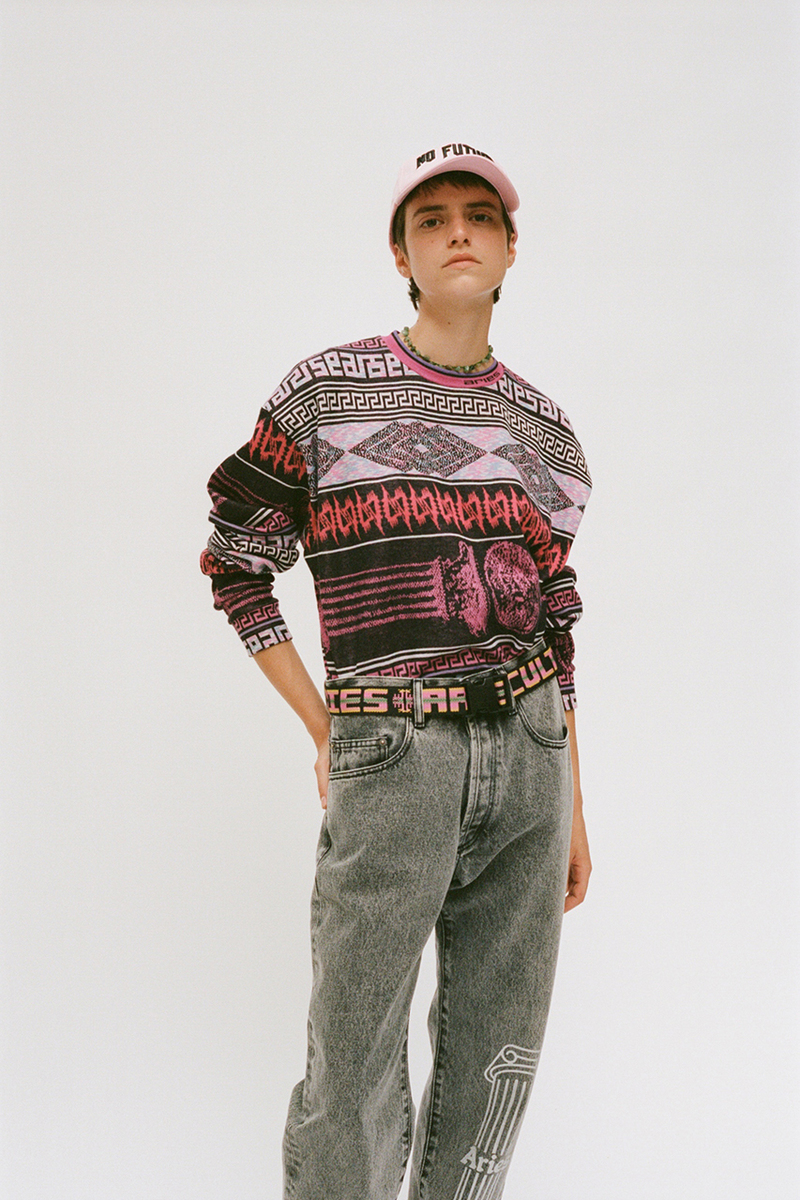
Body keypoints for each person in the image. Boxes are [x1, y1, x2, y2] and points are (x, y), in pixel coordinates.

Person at [201, 141, 592, 1200]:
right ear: (400, 255)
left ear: (510, 248)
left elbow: (555, 621)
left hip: (531, 752)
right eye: (431, 219)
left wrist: (575, 800)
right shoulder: (325, 394)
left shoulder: (548, 435)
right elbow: (236, 561)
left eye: (480, 215)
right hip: (392, 747)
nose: (458, 231)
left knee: (500, 1048)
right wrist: (325, 725)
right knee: (353, 1058)